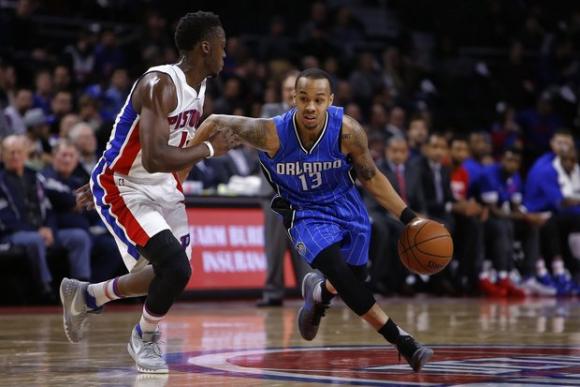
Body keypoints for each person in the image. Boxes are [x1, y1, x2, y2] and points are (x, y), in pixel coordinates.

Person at [193, 68, 433, 372]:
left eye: (318, 100)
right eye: (303, 98)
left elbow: (371, 177)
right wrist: (182, 169)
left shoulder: (348, 131)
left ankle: (319, 293)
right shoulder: (272, 132)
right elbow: (213, 121)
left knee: (355, 278)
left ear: (330, 100)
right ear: (293, 99)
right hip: (304, 211)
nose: (310, 107)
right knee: (342, 275)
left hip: (346, 207)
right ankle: (403, 341)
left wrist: (410, 219)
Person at [59, 11, 235, 374]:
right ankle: (145, 336)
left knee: (172, 274)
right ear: (205, 46)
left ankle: (87, 296)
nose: (225, 54)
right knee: (173, 265)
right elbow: (154, 157)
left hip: (162, 185)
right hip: (125, 184)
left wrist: (181, 176)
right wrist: (210, 150)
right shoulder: (160, 84)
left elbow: (156, 145)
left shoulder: (198, 88)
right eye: (222, 47)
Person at [257, 70, 311, 307]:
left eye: (295, 90)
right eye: (288, 89)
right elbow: (270, 140)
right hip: (273, 193)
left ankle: (310, 294)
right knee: (274, 246)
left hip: (301, 195)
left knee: (305, 249)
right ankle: (272, 292)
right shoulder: (270, 112)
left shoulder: (311, 116)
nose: (291, 93)